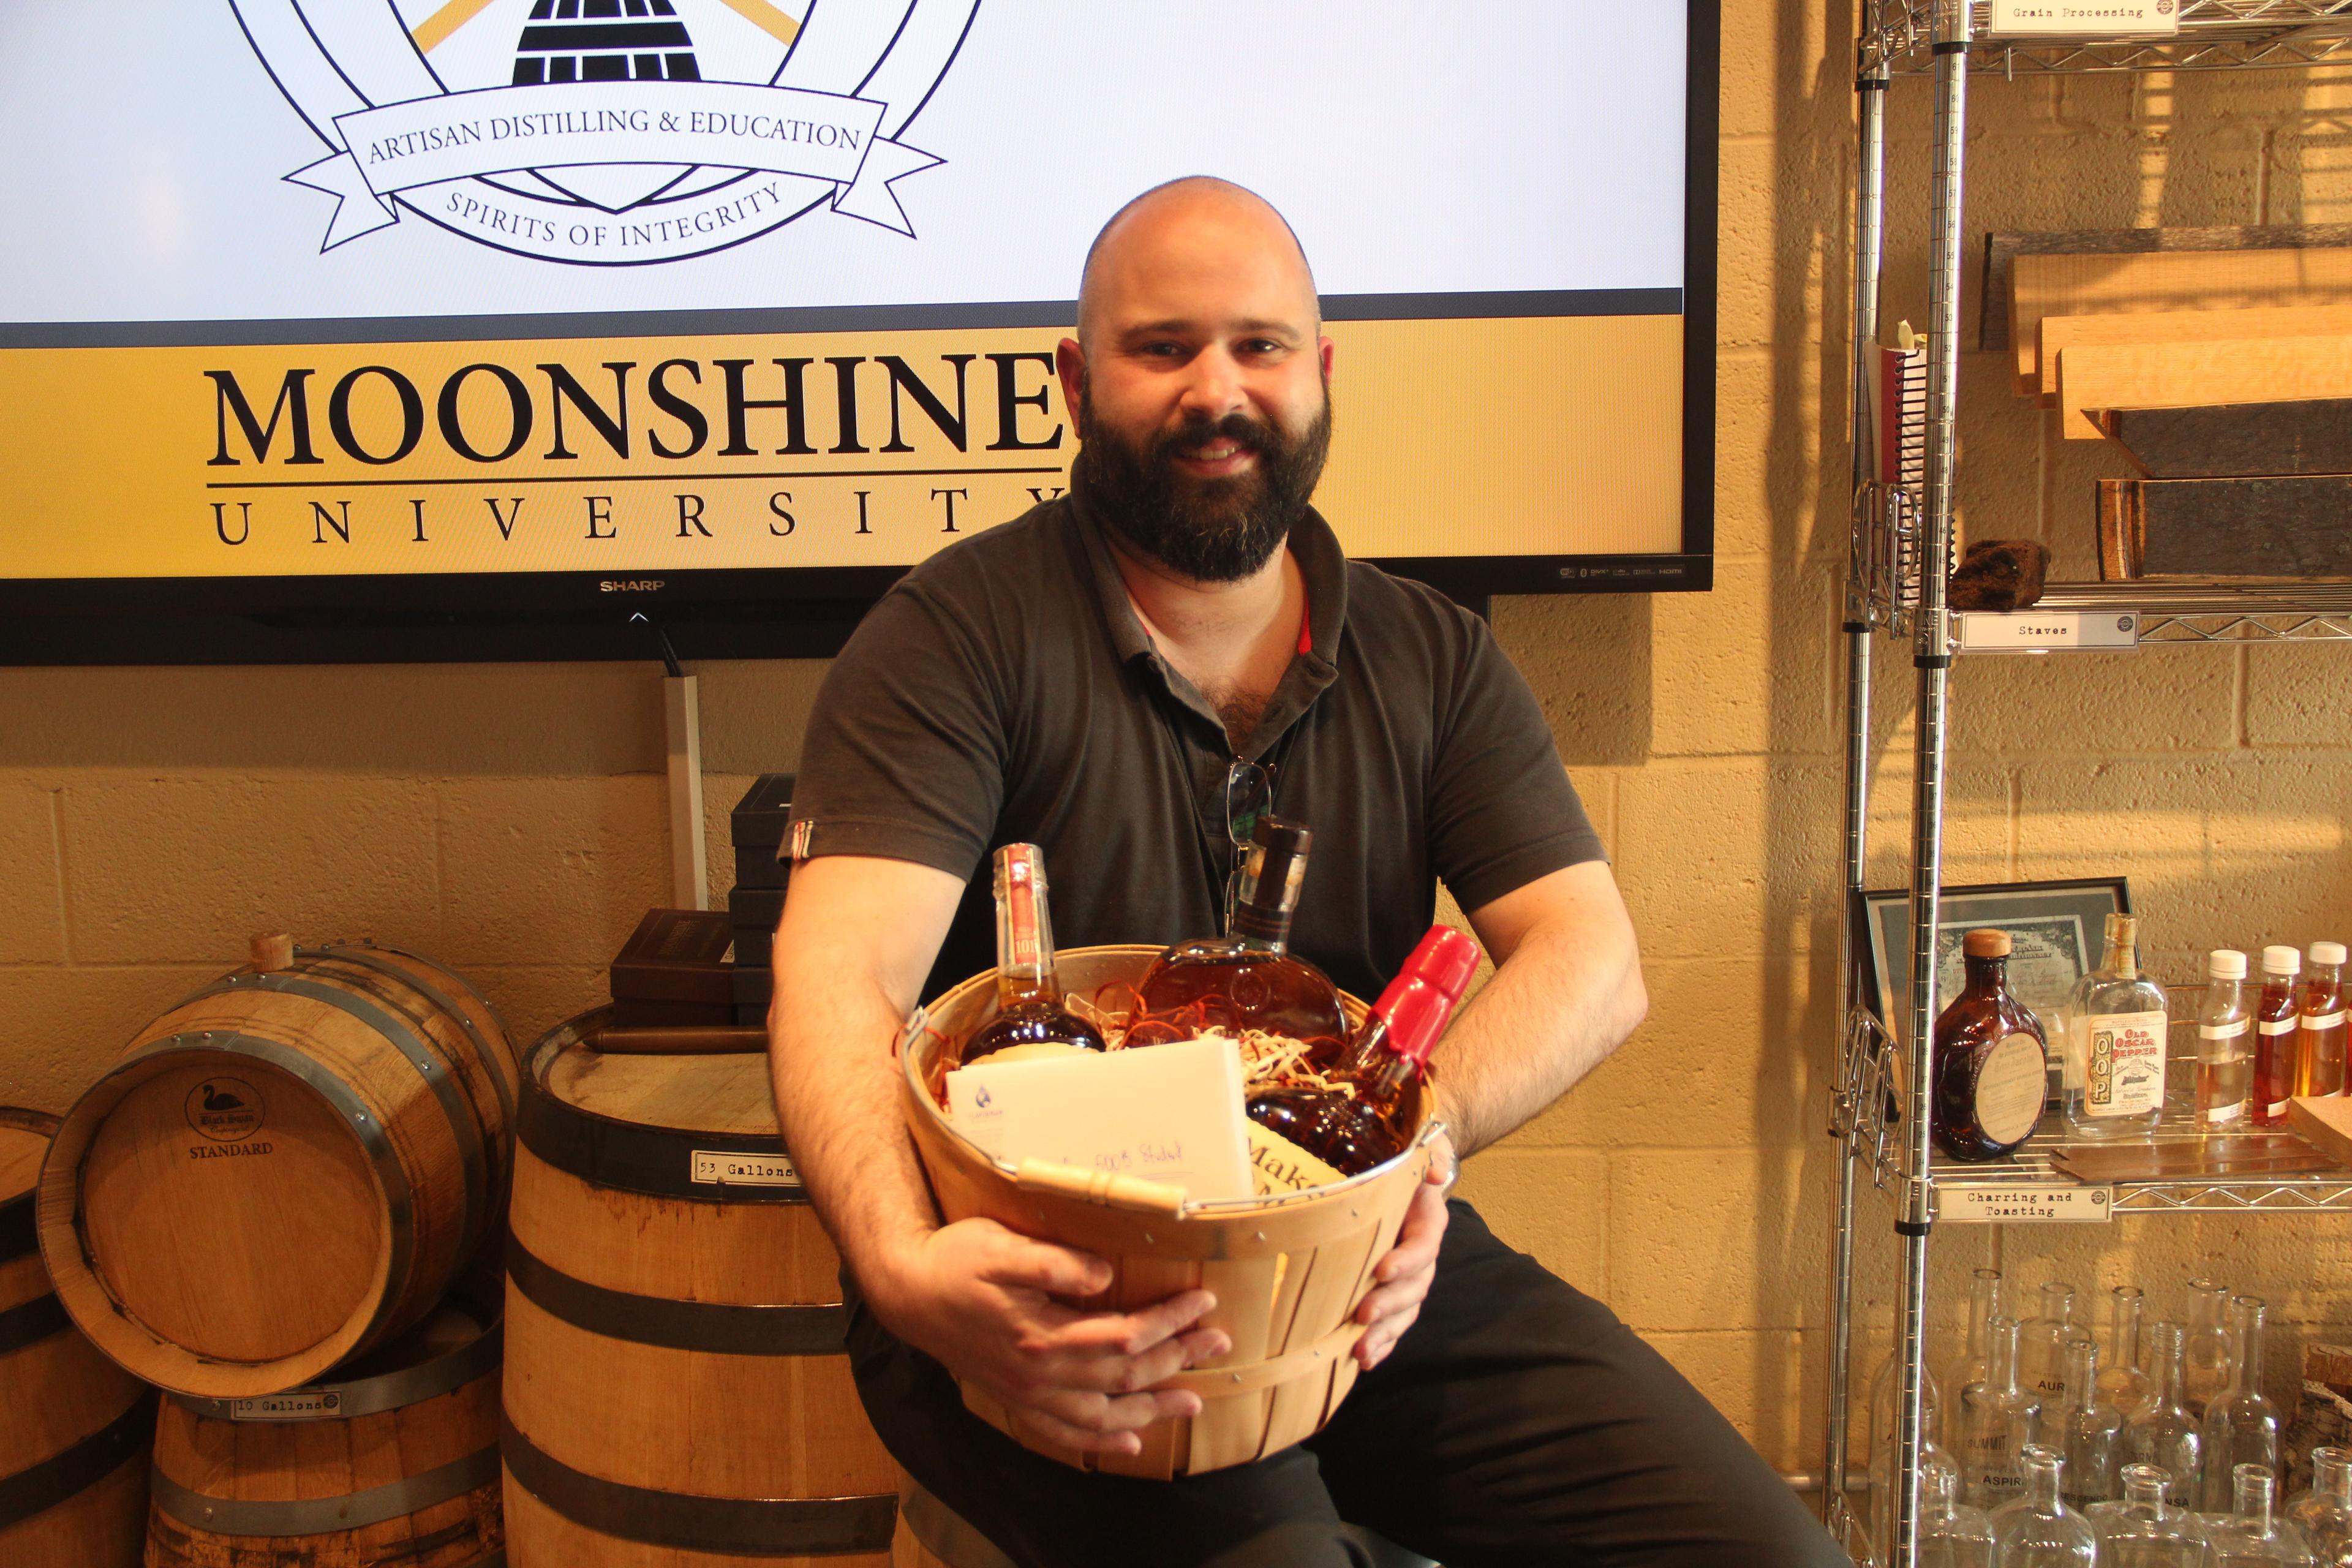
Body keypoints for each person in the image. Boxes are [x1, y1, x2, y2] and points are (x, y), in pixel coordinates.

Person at [767, 177, 1843, 1567]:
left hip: (1356, 1268)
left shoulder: (1431, 652)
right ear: (1074, 381)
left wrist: (1396, 1152)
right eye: (1164, 348)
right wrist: (909, 1277)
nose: (1219, 389)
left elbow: (1594, 958)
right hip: (1048, 1302)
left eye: (1261, 346)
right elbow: (837, 976)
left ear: (1321, 374)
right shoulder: (951, 636)